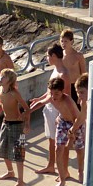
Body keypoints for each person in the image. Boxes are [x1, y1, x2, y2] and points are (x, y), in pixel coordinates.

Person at [29, 43, 72, 176]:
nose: (47, 58)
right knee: (51, 140)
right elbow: (49, 92)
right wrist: (38, 98)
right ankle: (51, 166)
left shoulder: (63, 74)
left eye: (48, 56)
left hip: (57, 112)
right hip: (50, 110)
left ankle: (64, 171)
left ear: (54, 56)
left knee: (60, 144)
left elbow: (66, 96)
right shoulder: (55, 70)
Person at [0, 68, 31, 186]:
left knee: (18, 153)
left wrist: (26, 124)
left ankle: (21, 181)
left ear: (10, 81)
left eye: (3, 77)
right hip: (5, 123)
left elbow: (26, 108)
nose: (0, 78)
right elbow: (2, 105)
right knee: (3, 149)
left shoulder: (14, 93)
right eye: (0, 76)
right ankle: (10, 171)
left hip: (17, 125)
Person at [41, 77, 83, 186]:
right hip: (62, 122)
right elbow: (42, 102)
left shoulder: (68, 100)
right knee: (58, 149)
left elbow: (77, 117)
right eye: (51, 93)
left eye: (56, 94)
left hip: (76, 123)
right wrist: (28, 111)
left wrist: (72, 133)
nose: (53, 97)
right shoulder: (51, 97)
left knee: (79, 149)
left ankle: (80, 171)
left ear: (62, 92)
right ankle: (63, 177)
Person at [59, 29, 86, 105]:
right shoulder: (60, 56)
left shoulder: (78, 56)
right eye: (62, 41)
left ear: (71, 41)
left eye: (66, 41)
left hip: (75, 86)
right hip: (63, 86)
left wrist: (82, 91)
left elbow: (84, 74)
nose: (63, 44)